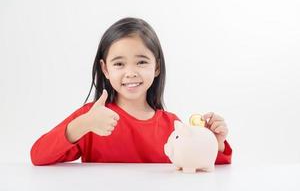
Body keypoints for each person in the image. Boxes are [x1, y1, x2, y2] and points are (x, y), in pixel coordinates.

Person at [30, 17, 232, 166]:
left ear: (157, 67)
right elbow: (38, 156)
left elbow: (205, 164)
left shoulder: (172, 125)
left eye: (141, 62)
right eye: (119, 63)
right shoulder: (91, 118)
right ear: (105, 69)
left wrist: (216, 143)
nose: (131, 72)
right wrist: (83, 125)